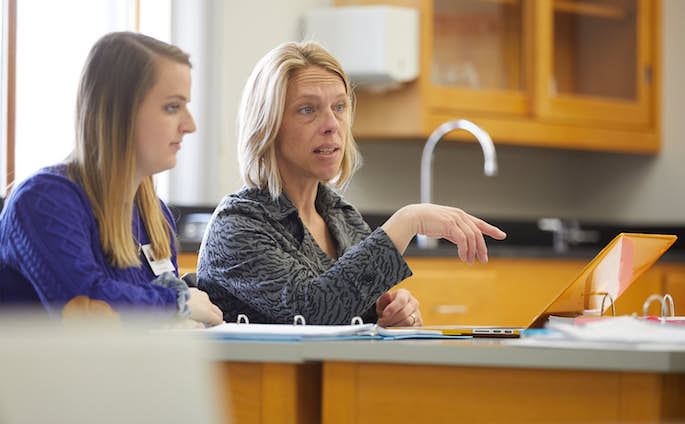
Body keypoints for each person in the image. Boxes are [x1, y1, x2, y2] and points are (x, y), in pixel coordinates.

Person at [197, 41, 506, 326]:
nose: (332, 125)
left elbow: (355, 306)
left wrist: (396, 311)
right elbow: (314, 311)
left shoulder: (341, 216)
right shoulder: (237, 225)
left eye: (340, 107)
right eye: (308, 109)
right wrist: (409, 220)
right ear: (268, 126)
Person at [0, 32, 222, 326]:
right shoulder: (43, 199)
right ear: (120, 111)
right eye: (172, 107)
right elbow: (85, 304)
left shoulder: (154, 215)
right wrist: (177, 303)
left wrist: (174, 311)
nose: (190, 125)